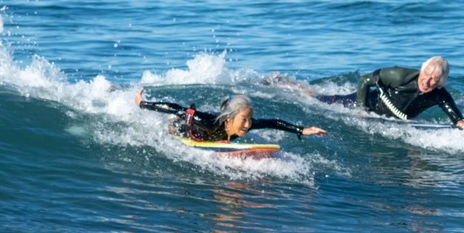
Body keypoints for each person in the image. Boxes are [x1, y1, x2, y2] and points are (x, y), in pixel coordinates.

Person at [312, 56, 464, 133]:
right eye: (426, 74)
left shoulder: (440, 94)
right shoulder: (400, 76)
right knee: (318, 99)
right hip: (363, 104)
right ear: (422, 69)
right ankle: (298, 87)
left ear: (440, 82)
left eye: (434, 79)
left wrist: (463, 124)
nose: (426, 81)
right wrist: (361, 109)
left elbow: (458, 119)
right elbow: (364, 80)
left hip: (393, 119)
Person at [135, 88, 327, 142]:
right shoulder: (209, 122)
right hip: (192, 128)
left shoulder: (247, 124)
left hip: (217, 135)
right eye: (244, 120)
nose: (248, 124)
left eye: (249, 119)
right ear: (230, 119)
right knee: (176, 126)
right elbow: (177, 108)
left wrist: (303, 130)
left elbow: (274, 122)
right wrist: (143, 104)